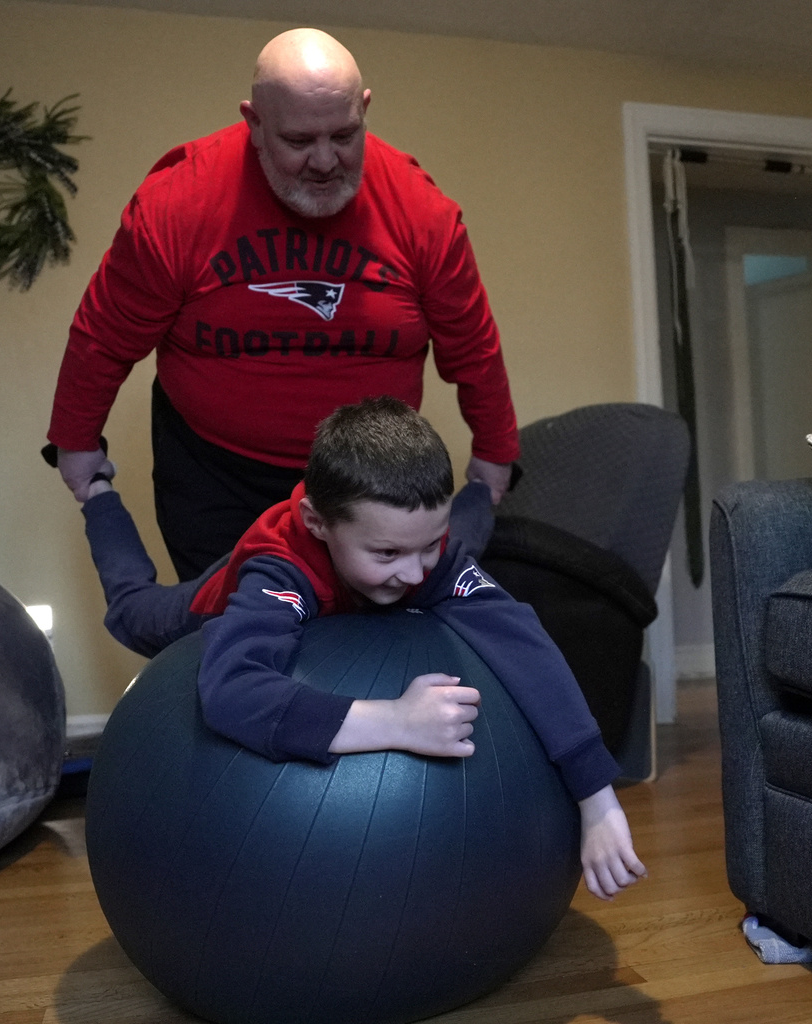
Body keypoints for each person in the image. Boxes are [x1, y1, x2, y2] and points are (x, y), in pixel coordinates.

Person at [76, 397, 646, 901]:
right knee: (132, 610)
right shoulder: (280, 572)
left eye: (427, 546)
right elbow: (230, 690)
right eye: (387, 553)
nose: (413, 572)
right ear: (318, 524)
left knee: (467, 546)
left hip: (397, 537)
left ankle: (479, 492)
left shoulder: (427, 552)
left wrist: (597, 800)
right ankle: (95, 491)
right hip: (213, 593)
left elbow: (526, 646)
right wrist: (394, 720)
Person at [47, 27, 520, 581]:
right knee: (227, 638)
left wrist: (495, 451)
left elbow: (472, 344)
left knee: (365, 644)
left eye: (344, 134)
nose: (325, 160)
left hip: (369, 476)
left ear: (364, 109)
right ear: (254, 123)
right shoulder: (177, 204)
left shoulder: (422, 212)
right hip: (213, 471)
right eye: (299, 141)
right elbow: (104, 337)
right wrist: (76, 445)